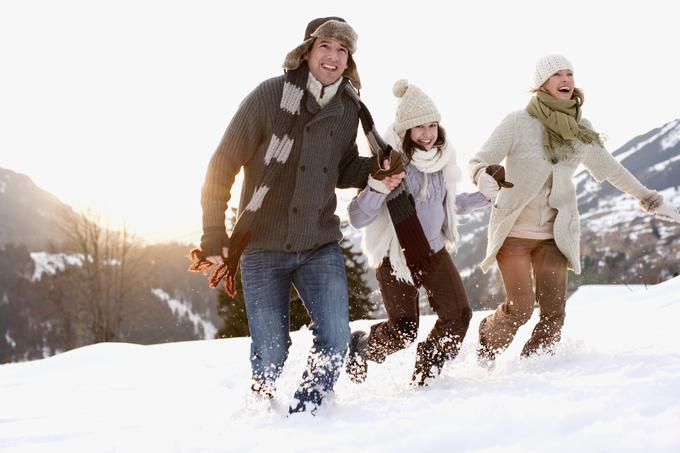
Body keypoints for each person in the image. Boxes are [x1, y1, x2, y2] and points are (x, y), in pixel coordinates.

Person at [195, 17, 402, 414]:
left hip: (318, 243)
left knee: (337, 337)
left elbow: (340, 169)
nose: (334, 56)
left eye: (343, 50)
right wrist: (212, 232)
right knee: (271, 352)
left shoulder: (348, 109)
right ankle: (260, 406)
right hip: (262, 245)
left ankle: (309, 410)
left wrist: (377, 171)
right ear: (307, 50)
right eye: (326, 46)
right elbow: (223, 163)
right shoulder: (269, 96)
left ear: (349, 61)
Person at [469, 54, 680, 364]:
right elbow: (479, 161)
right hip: (514, 232)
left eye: (569, 73)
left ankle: (534, 368)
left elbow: (612, 169)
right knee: (521, 308)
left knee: (554, 312)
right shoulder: (517, 122)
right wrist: (482, 177)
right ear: (542, 84)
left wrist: (648, 197)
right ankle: (487, 341)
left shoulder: (581, 129)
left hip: (556, 234)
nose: (566, 79)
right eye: (557, 74)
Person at [345, 80, 504, 386]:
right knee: (403, 330)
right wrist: (380, 186)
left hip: (433, 252)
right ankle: (362, 347)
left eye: (432, 125)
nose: (427, 134)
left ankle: (426, 373)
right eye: (419, 127)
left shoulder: (442, 161)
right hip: (395, 257)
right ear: (405, 130)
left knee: (459, 315)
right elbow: (357, 217)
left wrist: (484, 196)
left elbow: (446, 205)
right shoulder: (387, 162)